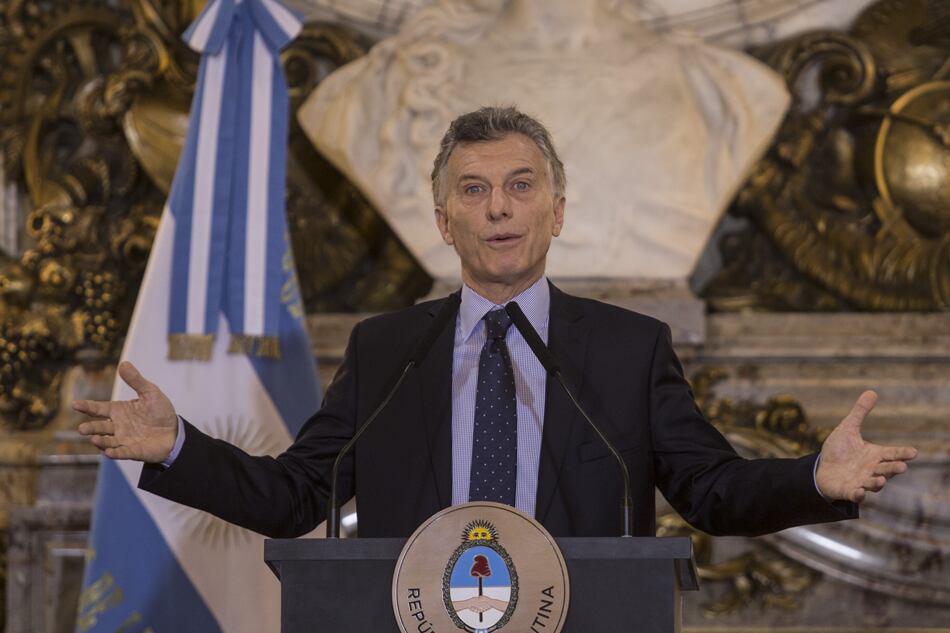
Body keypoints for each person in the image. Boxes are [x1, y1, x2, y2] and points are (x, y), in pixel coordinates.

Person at [75, 106, 917, 539]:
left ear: (556, 212)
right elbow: (299, 494)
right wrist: (177, 446)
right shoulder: (388, 349)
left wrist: (814, 478)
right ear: (445, 222)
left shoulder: (630, 349)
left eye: (520, 186)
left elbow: (711, 491)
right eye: (473, 190)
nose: (499, 208)